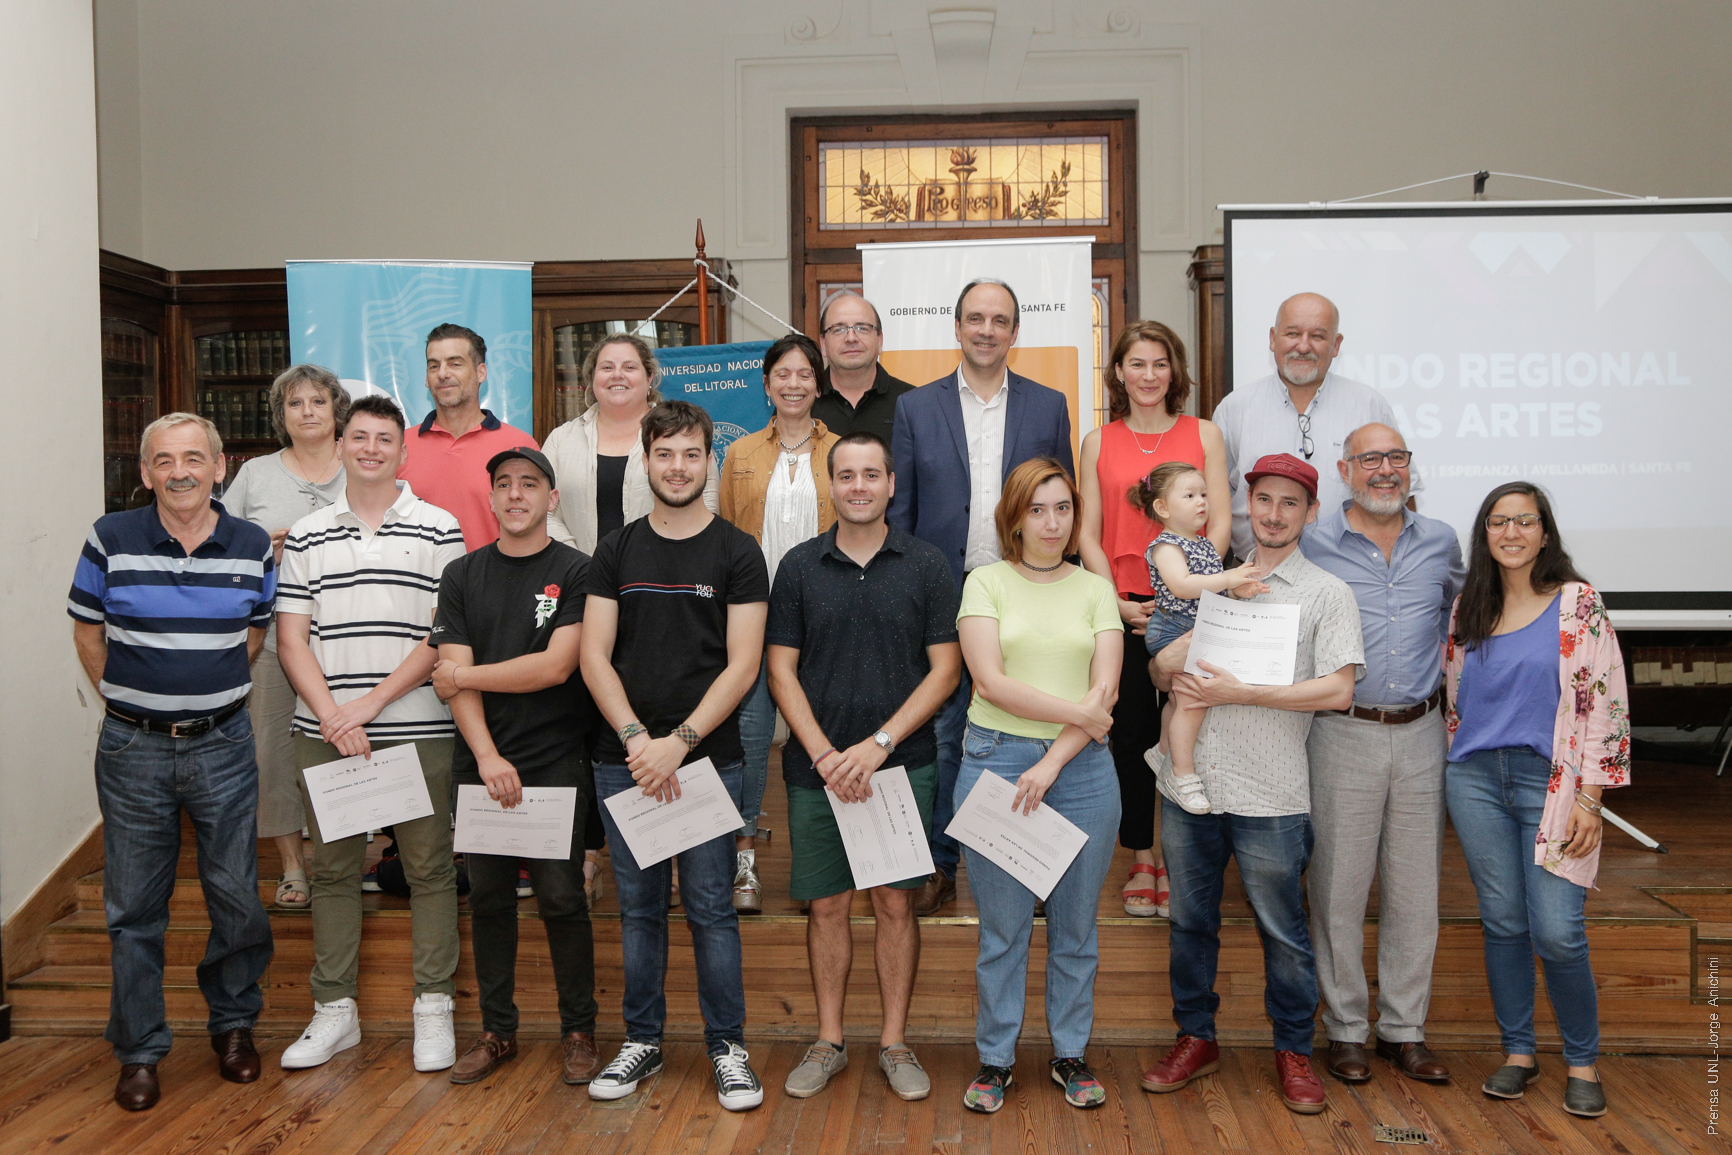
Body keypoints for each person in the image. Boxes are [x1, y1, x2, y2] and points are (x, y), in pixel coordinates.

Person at [1141, 454, 1362, 1116]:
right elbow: (1158, 672)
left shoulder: (1327, 592)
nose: (1273, 514)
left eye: (1289, 503)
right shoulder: (1210, 579)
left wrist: (1245, 692)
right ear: (1247, 505)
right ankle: (1195, 1037)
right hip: (1192, 787)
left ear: (1311, 513)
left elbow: (1339, 690)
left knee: (1283, 931)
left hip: (1273, 791)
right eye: (1263, 499)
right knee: (1190, 923)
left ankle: (1294, 1049)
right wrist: (1172, 656)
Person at [68, 412, 277, 1112]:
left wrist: (205, 692)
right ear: (145, 470)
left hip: (224, 743)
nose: (179, 471)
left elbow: (253, 634)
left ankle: (234, 1025)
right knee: (134, 907)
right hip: (133, 747)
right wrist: (131, 701)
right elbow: (87, 632)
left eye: (193, 458)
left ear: (220, 467)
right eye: (164, 459)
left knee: (236, 894)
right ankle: (139, 1050)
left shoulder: (252, 544)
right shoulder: (110, 537)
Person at [579, 401, 770, 1111]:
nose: (678, 467)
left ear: (709, 461)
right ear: (646, 461)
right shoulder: (615, 550)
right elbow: (594, 656)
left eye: (692, 454)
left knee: (712, 909)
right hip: (623, 761)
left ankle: (728, 1047)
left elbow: (743, 665)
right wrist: (638, 741)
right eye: (665, 454)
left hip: (707, 762)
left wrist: (678, 744)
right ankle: (643, 1040)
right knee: (638, 909)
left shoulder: (738, 552)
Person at [274, 394, 467, 1074]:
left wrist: (369, 706)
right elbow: (290, 639)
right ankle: (335, 1010)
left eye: (385, 439)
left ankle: (433, 1006)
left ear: (403, 451)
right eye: (359, 437)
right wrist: (334, 714)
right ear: (341, 447)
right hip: (325, 730)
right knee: (331, 872)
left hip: (418, 727)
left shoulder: (440, 528)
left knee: (429, 869)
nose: (371, 449)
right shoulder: (306, 534)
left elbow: (442, 634)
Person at [766, 432, 962, 1103]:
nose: (858, 486)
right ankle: (829, 1040)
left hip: (900, 764)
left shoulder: (927, 564)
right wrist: (825, 754)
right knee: (826, 906)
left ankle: (894, 1042)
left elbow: (946, 670)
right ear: (831, 485)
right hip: (816, 769)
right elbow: (780, 670)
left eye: (871, 474)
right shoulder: (797, 566)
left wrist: (878, 744)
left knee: (894, 903)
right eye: (846, 475)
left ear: (891, 484)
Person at [889, 278, 1075, 916]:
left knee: (1031, 731)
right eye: (976, 318)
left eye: (999, 320)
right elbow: (903, 513)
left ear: (1015, 331)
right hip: (944, 591)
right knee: (945, 733)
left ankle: (1032, 866)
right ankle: (940, 865)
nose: (987, 330)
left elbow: (1060, 501)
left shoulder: (1048, 405)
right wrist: (906, 593)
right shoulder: (916, 408)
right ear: (957, 327)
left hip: (1027, 590)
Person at [1443, 482, 1628, 1119]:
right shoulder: (1468, 607)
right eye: (1499, 522)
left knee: (1557, 931)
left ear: (1545, 533)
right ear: (1485, 534)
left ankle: (1583, 1062)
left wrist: (1591, 799)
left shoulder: (1579, 604)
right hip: (1474, 781)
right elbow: (1456, 696)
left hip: (1551, 785)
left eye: (1525, 521)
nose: (1512, 533)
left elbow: (1606, 703)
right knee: (1503, 923)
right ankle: (1519, 1053)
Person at [953, 457, 1123, 1114]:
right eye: (1037, 509)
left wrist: (1054, 759)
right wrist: (1080, 713)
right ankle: (995, 1059)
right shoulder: (985, 582)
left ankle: (1070, 1053)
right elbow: (991, 682)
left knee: (1076, 929)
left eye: (1063, 508)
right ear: (1014, 518)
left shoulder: (1096, 589)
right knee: (1003, 930)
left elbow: (1105, 692)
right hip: (996, 763)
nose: (1052, 523)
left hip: (1081, 771)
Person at [429, 447, 601, 1088]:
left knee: (561, 898)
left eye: (530, 484)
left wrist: (462, 676)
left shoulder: (579, 570)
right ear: (492, 498)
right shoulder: (461, 573)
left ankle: (579, 1030)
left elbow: (555, 667)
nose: (516, 494)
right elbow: (452, 670)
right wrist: (486, 756)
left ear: (551, 498)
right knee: (490, 900)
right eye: (503, 484)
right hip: (482, 760)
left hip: (556, 760)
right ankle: (497, 1031)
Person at [1299, 423, 1463, 1084]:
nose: (1386, 469)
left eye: (1397, 457)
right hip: (1341, 730)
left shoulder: (1442, 541)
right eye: (1370, 458)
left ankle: (1404, 1029)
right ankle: (1345, 1029)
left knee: (1415, 891)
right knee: (1337, 887)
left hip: (1423, 731)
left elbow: (1459, 616)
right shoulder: (1312, 542)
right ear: (1344, 470)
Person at [544, 332, 721, 901]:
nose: (617, 375)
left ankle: (674, 848)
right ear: (590, 378)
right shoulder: (562, 439)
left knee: (658, 705)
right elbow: (547, 512)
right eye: (605, 367)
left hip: (664, 595)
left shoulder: (675, 435)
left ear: (650, 376)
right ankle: (592, 849)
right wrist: (592, 570)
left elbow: (704, 505)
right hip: (585, 591)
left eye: (629, 366)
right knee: (584, 722)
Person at [1078, 321, 1231, 918]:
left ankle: (1181, 854)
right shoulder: (1098, 440)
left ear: (1175, 371)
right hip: (1122, 602)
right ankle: (1143, 855)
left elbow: (1220, 522)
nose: (1148, 375)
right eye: (1136, 364)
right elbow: (1088, 534)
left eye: (1160, 363)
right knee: (1133, 733)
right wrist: (1112, 602)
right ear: (1118, 372)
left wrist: (1186, 596)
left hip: (1193, 604)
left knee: (1189, 729)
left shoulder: (1204, 433)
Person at [219, 363, 351, 909]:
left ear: (337, 409)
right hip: (273, 641)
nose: (307, 412)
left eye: (318, 401)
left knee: (344, 744)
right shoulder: (255, 475)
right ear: (280, 416)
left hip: (350, 642)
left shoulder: (362, 462)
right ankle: (294, 865)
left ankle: (340, 861)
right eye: (294, 404)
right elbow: (218, 550)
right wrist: (261, 555)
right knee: (271, 751)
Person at [717, 331, 840, 914]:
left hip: (827, 614)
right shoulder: (739, 454)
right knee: (749, 737)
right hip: (755, 616)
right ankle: (744, 856)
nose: (794, 384)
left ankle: (830, 861)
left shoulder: (841, 451)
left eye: (804, 374)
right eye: (782, 374)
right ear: (766, 384)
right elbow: (724, 536)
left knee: (827, 734)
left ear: (819, 384)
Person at [1210, 293, 1413, 561]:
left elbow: (1402, 492)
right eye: (1293, 334)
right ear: (1273, 338)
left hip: (1352, 572)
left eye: (1317, 336)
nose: (1303, 346)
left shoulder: (1368, 405)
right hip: (1255, 574)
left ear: (1336, 344)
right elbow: (1213, 501)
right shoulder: (1234, 408)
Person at [1135, 463, 1265, 812]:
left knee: (1179, 699)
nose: (1201, 502)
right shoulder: (1166, 546)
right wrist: (1228, 578)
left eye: (1204, 494)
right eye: (1190, 495)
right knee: (1193, 700)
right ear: (1162, 507)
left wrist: (1236, 591)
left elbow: (1211, 591)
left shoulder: (1204, 544)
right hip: (1173, 629)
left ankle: (1163, 750)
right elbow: (1182, 586)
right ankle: (1182, 775)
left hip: (1197, 626)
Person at [397, 323, 539, 551]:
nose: (443, 374)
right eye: (434, 366)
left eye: (455, 364)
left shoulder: (519, 445)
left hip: (491, 573)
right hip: (414, 574)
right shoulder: (399, 446)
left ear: (481, 372)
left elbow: (534, 528)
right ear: (426, 378)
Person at [811, 290, 913, 446]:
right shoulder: (803, 401)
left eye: (862, 328)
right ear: (823, 344)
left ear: (880, 340)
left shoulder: (911, 402)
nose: (851, 338)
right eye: (838, 329)